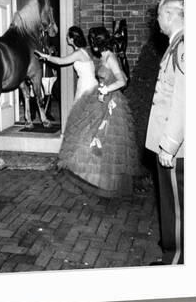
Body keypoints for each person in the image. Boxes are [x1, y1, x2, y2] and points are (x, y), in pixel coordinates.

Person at [37, 25, 142, 198]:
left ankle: (105, 183)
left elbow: (123, 80)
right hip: (100, 98)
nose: (91, 44)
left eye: (93, 40)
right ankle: (92, 177)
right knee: (91, 137)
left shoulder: (110, 57)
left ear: (97, 41)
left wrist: (105, 90)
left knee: (105, 143)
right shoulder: (104, 55)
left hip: (111, 103)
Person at [146, 0, 185, 265]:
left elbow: (184, 99)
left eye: (159, 15)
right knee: (171, 205)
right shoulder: (176, 45)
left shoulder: (183, 47)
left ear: (170, 15)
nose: (157, 20)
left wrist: (169, 144)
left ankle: (177, 263)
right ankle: (171, 252)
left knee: (178, 208)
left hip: (176, 148)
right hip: (170, 145)